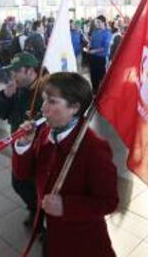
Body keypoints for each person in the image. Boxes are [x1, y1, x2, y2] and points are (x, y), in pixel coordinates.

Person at [13, 72, 118, 257]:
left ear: (74, 107)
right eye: (44, 99)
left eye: (52, 102)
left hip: (82, 244)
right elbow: (23, 174)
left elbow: (109, 202)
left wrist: (66, 206)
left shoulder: (95, 149)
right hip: (50, 234)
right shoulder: (45, 133)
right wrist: (24, 145)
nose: (43, 108)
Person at [0, 52, 43, 227]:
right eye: (12, 71)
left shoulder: (44, 91)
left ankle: (43, 219)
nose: (12, 76)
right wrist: (5, 96)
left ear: (30, 71)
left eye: (17, 71)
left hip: (38, 149)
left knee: (35, 184)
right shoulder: (15, 89)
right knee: (20, 183)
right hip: (19, 146)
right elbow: (1, 114)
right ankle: (35, 210)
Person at [86, 15, 112, 93]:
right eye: (96, 22)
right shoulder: (95, 31)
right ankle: (94, 90)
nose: (97, 24)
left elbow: (105, 47)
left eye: (98, 22)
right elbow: (91, 41)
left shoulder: (107, 33)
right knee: (93, 74)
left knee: (101, 76)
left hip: (101, 58)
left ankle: (102, 92)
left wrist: (94, 51)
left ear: (103, 22)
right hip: (92, 56)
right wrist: (89, 46)